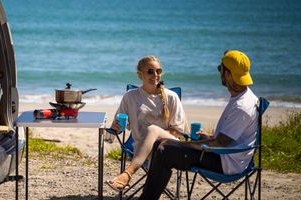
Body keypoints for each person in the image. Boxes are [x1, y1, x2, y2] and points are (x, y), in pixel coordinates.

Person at [138, 50, 259, 200]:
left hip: (226, 163)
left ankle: (147, 198)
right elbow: (230, 138)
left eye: (220, 69)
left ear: (227, 74)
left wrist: (189, 145)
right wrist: (207, 137)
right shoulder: (242, 96)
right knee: (159, 144)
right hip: (228, 155)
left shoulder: (241, 106)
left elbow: (220, 143)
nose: (219, 72)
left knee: (164, 150)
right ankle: (150, 197)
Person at [106, 55, 189, 192]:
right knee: (154, 148)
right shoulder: (130, 96)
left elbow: (178, 131)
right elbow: (120, 126)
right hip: (140, 146)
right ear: (140, 74)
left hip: (168, 146)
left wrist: (154, 139)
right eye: (150, 71)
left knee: (153, 132)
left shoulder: (171, 97)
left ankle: (127, 175)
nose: (155, 75)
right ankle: (156, 195)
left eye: (158, 71)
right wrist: (116, 127)